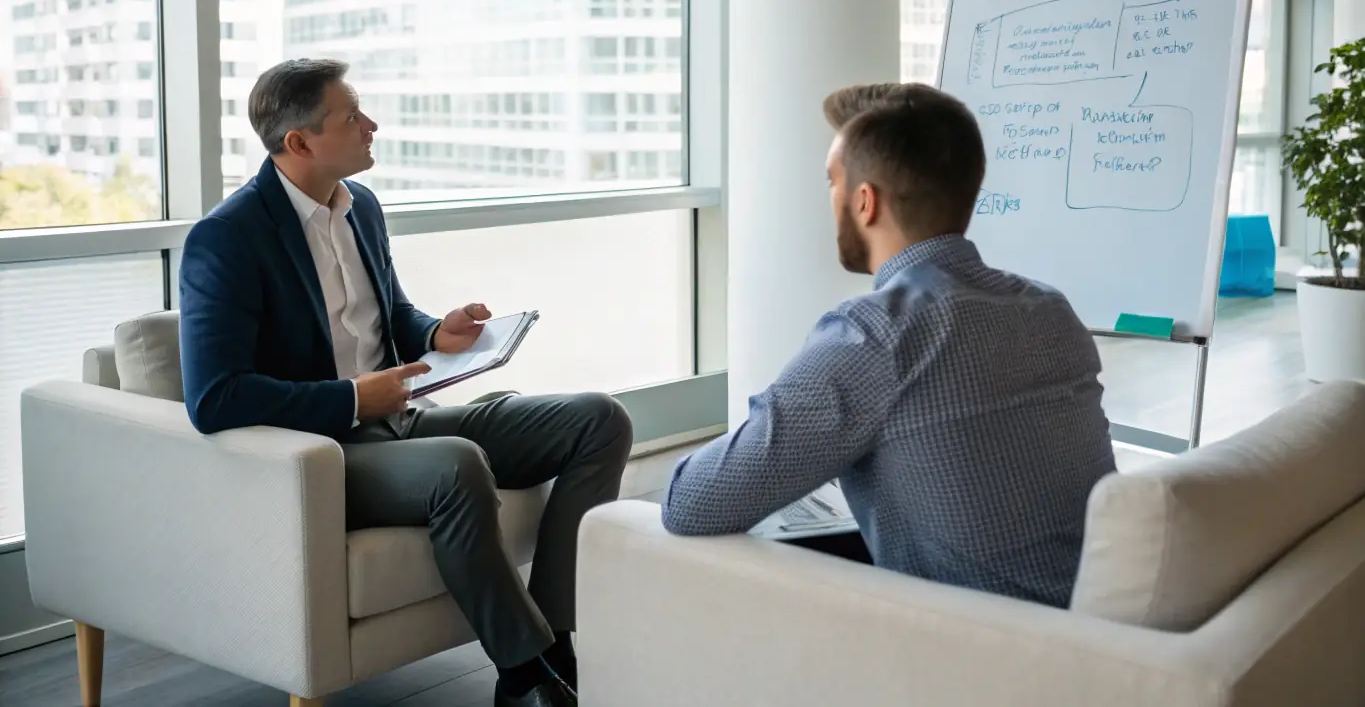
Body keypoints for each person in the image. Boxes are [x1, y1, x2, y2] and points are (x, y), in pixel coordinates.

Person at [179, 58, 630, 706]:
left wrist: (433, 334)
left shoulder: (360, 205)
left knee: (597, 418)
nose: (372, 124)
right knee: (456, 465)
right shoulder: (226, 239)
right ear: (299, 142)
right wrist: (354, 399)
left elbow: (387, 314)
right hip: (328, 453)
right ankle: (528, 675)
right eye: (351, 115)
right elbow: (215, 398)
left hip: (403, 420)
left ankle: (554, 639)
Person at [661, 82, 1116, 608]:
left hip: (973, 656)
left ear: (864, 201)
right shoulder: (1050, 309)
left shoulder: (873, 336)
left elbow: (691, 504)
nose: (829, 199)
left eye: (831, 182)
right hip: (1094, 634)